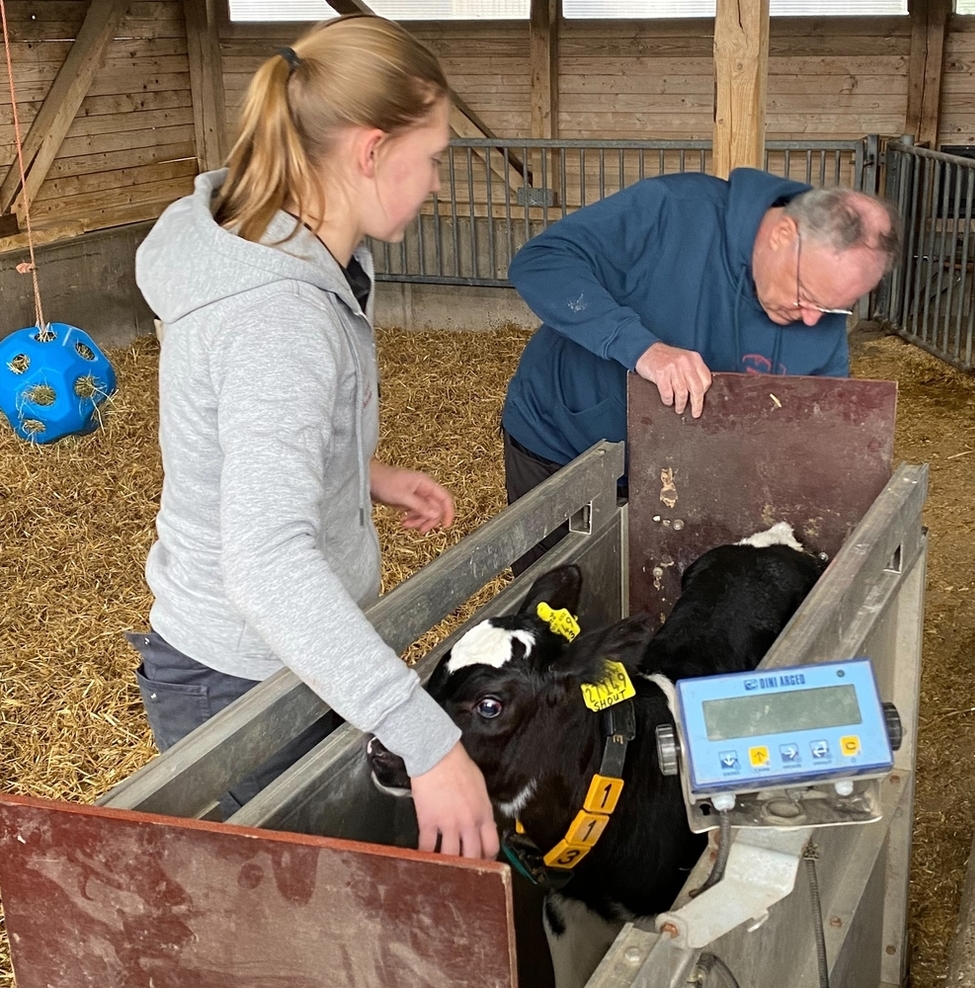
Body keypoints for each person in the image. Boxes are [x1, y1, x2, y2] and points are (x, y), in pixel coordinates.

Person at [129, 14, 497, 860]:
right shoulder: (279, 314)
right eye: (434, 155)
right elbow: (263, 560)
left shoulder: (280, 247)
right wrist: (427, 738)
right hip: (242, 682)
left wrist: (360, 472)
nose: (438, 181)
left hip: (286, 656)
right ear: (370, 150)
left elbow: (243, 433)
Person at [501, 169, 902, 572]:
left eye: (833, 309)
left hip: (691, 481)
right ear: (783, 235)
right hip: (565, 447)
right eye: (806, 296)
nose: (814, 320)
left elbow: (818, 429)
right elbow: (542, 262)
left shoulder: (817, 308)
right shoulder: (672, 210)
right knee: (552, 604)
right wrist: (643, 349)